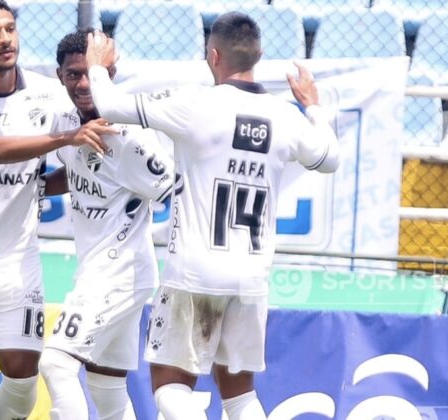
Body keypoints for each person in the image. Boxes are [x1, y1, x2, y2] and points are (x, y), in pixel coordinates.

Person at [84, 12, 341, 420]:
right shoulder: (285, 117)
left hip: (194, 273)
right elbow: (329, 158)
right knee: (239, 395)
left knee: (170, 387)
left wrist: (97, 65)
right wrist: (313, 107)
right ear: (258, 55)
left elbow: (110, 104)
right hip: (251, 277)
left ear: (213, 55)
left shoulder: (195, 104)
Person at [0, 1, 116, 419]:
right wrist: (67, 138)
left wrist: (45, 181)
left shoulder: (48, 94)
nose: (5, 39)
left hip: (18, 262)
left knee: (23, 379)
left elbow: (87, 153)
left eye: (9, 29)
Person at [38, 30, 174, 420]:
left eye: (90, 73)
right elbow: (78, 171)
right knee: (106, 385)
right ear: (60, 75)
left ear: (109, 73)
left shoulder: (129, 135)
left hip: (121, 272)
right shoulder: (65, 121)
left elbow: (175, 189)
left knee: (56, 363)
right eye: (73, 74)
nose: (83, 84)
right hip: (97, 268)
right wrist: (33, 188)